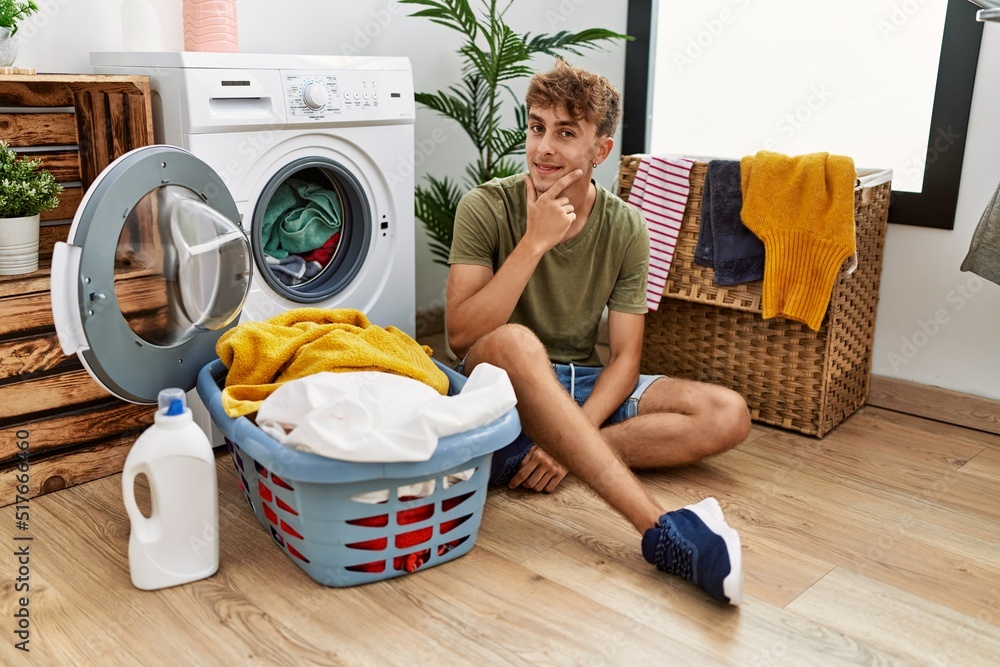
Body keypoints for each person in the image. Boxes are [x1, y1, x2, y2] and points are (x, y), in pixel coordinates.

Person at [445, 60, 751, 605]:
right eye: (537, 126)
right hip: (500, 381)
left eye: (566, 133)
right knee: (516, 342)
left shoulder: (626, 225)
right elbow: (461, 337)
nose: (544, 147)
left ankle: (546, 453)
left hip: (580, 382)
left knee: (728, 413)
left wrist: (569, 442)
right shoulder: (485, 206)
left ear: (599, 151)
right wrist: (534, 242)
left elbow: (626, 358)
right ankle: (660, 530)